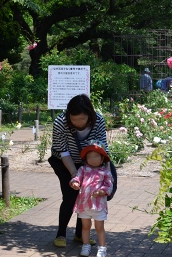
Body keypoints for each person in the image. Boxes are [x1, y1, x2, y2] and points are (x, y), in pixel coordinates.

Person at [48, 94, 113, 249]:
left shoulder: (97, 120)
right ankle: (61, 234)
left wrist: (106, 174)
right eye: (74, 119)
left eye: (82, 119)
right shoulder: (60, 122)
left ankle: (79, 234)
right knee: (70, 194)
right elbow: (63, 152)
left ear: (89, 115)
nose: (77, 123)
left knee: (88, 193)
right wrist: (74, 175)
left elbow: (101, 148)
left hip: (91, 161)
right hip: (64, 161)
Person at [70, 141, 113, 257]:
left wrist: (101, 191)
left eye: (96, 156)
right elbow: (77, 177)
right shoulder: (83, 169)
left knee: (99, 227)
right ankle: (85, 245)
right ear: (86, 159)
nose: (93, 159)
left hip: (98, 205)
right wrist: (74, 183)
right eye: (90, 156)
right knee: (85, 226)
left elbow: (109, 185)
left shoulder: (105, 171)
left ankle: (102, 248)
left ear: (102, 157)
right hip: (84, 204)